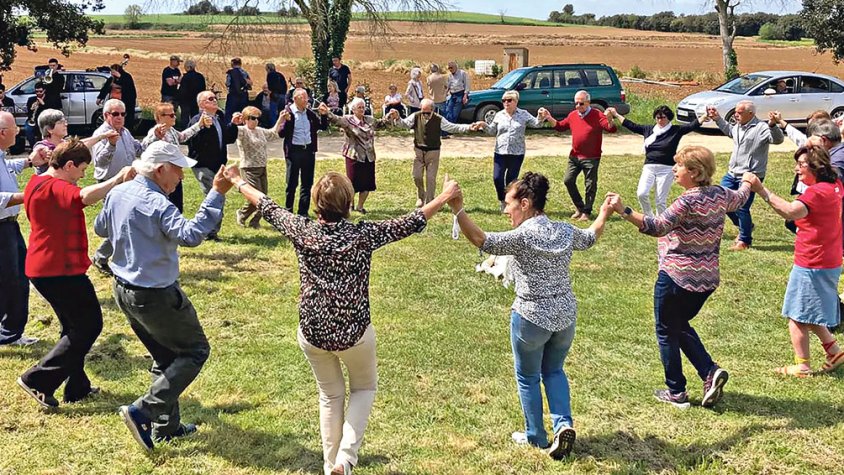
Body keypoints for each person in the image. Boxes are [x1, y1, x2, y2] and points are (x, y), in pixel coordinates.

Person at [223, 167, 459, 475]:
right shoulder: (362, 235)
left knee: (330, 395)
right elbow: (411, 221)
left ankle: (330, 466)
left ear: (317, 204)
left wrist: (238, 180)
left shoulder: (302, 229)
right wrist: (445, 196)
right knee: (364, 389)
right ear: (348, 204)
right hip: (353, 330)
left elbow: (266, 205)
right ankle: (345, 460)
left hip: (313, 330)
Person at [448, 172, 610, 459]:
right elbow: (589, 238)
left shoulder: (523, 236)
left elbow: (482, 240)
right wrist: (604, 213)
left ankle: (536, 435)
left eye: (509, 204)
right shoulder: (562, 229)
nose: (505, 210)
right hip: (565, 316)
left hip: (531, 317)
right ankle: (563, 425)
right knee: (555, 371)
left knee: (528, 376)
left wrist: (458, 208)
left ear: (525, 203)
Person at [95, 142, 233, 451]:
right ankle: (143, 411)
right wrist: (217, 192)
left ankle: (166, 428)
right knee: (195, 351)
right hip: (155, 295)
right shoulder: (159, 204)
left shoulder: (120, 192)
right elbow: (190, 234)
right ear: (160, 170)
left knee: (166, 356)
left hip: (123, 290)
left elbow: (100, 227)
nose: (182, 176)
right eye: (178, 170)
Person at [606, 146, 754, 410]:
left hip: (676, 277)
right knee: (678, 324)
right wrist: (747, 182)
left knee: (666, 330)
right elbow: (741, 198)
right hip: (707, 279)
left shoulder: (687, 201)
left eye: (679, 166)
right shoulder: (720, 194)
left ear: (695, 173)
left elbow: (657, 226)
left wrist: (623, 210)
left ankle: (677, 391)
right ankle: (709, 373)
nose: (674, 170)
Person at [16, 139, 134, 409]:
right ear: (68, 165)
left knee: (72, 327)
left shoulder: (37, 181)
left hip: (44, 267)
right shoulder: (58, 186)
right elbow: (83, 197)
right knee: (89, 325)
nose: (83, 175)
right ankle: (38, 379)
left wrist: (100, 137)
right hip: (59, 270)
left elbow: (70, 149)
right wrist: (116, 178)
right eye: (81, 169)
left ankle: (77, 387)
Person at [745, 146, 844, 376]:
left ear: (816, 167)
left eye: (801, 164)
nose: (796, 169)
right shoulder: (835, 185)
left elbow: (790, 211)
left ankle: (802, 365)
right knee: (810, 310)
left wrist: (761, 190)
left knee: (796, 315)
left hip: (812, 262)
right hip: (829, 259)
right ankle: (834, 352)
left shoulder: (815, 193)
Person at [709, 100, 784, 250]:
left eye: (739, 112)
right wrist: (717, 118)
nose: (736, 115)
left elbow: (778, 139)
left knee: (742, 207)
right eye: (736, 112)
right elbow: (730, 131)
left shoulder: (762, 128)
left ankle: (744, 240)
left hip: (751, 175)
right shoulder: (738, 126)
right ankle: (746, 226)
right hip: (732, 173)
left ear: (751, 114)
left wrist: (773, 125)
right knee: (721, 201)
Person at [605, 105, 705, 216]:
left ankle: (663, 223)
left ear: (669, 118)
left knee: (660, 200)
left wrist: (705, 116)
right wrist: (616, 114)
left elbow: (692, 126)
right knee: (641, 193)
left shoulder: (675, 130)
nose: (660, 120)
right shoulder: (648, 129)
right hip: (649, 167)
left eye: (663, 117)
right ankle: (649, 217)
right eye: (658, 117)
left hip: (666, 168)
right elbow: (631, 125)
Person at [0, 111, 45, 347]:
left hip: (9, 227)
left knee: (18, 278)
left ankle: (10, 332)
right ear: (3, 133)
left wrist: (29, 161)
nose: (19, 131)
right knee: (9, 281)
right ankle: (7, 332)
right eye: (15, 128)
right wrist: (26, 196)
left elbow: (5, 167)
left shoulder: (1, 155)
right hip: (1, 229)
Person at [540, 90, 617, 221]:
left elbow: (611, 129)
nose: (578, 106)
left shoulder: (597, 115)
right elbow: (560, 126)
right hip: (574, 156)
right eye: (576, 103)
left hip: (591, 157)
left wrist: (609, 118)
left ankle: (586, 212)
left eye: (581, 103)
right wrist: (548, 117)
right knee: (568, 180)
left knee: (590, 184)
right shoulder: (573, 115)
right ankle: (579, 207)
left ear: (588, 103)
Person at [394, 98, 481, 207]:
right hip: (419, 151)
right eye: (423, 112)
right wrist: (397, 118)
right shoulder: (415, 116)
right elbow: (404, 124)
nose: (425, 115)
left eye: (428, 112)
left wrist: (468, 127)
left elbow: (453, 127)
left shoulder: (439, 119)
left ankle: (430, 202)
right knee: (417, 176)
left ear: (433, 110)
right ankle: (421, 196)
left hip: (433, 152)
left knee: (431, 178)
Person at [91, 99, 144, 274]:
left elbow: (137, 149)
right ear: (106, 115)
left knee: (127, 222)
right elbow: (100, 161)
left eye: (122, 114)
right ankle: (101, 256)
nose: (120, 117)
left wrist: (154, 137)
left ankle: (107, 256)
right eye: (115, 114)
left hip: (127, 183)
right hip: (110, 185)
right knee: (120, 224)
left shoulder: (125, 132)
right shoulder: (101, 134)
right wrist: (111, 144)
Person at [319, 99, 396, 214]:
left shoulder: (369, 120)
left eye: (363, 107)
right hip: (353, 156)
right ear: (353, 109)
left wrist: (390, 115)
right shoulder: (348, 120)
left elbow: (381, 123)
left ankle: (360, 206)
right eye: (359, 107)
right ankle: (350, 205)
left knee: (367, 184)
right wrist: (327, 113)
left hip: (369, 156)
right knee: (351, 183)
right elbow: (336, 119)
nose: (362, 109)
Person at [478, 91, 545, 212]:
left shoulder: (523, 114)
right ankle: (502, 200)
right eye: (504, 100)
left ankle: (509, 203)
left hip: (517, 153)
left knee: (511, 180)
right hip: (500, 151)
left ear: (516, 102)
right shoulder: (499, 115)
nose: (506, 103)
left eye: (509, 100)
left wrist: (540, 115)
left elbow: (537, 124)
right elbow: (492, 131)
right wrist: (484, 125)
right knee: (497, 178)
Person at [187, 91, 240, 241]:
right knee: (213, 196)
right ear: (202, 104)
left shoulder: (218, 119)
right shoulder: (197, 120)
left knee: (218, 196)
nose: (215, 100)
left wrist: (233, 125)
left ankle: (212, 231)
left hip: (218, 165)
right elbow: (192, 142)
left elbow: (228, 139)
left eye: (215, 98)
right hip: (203, 165)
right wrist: (202, 127)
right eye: (210, 99)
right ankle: (208, 232)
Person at [141, 102, 203, 212]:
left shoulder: (171, 130)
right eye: (171, 115)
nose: (174, 117)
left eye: (174, 114)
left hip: (175, 172)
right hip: (164, 176)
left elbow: (183, 137)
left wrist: (199, 125)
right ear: (160, 117)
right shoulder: (157, 131)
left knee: (177, 206)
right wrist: (155, 136)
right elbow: (144, 146)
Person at [278, 88, 328, 216]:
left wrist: (323, 115)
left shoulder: (310, 114)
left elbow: (322, 126)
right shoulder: (288, 113)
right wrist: (286, 121)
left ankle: (303, 212)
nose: (307, 100)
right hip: (294, 152)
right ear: (295, 99)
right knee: (292, 183)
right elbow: (281, 133)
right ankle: (288, 211)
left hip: (308, 151)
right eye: (303, 98)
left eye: (307, 97)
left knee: (307, 183)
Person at [234, 105, 283, 228]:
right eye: (252, 118)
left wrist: (280, 119)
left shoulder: (260, 130)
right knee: (256, 197)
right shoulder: (242, 131)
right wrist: (234, 121)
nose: (255, 120)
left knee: (263, 197)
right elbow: (230, 131)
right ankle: (242, 214)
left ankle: (254, 221)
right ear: (245, 119)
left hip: (262, 167)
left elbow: (273, 133)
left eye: (257, 118)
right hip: (249, 168)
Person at [31, 108, 117, 175]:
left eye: (65, 121)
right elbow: (33, 157)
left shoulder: (64, 143)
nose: (66, 124)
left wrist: (103, 136)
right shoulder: (42, 146)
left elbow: (80, 145)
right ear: (49, 129)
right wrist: (43, 153)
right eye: (61, 122)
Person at [97, 63, 137, 130]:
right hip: (113, 102)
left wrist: (120, 77)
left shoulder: (127, 77)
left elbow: (129, 88)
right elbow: (105, 88)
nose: (112, 73)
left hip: (124, 103)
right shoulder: (112, 79)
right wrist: (100, 97)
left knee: (124, 120)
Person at [178, 59, 206, 127]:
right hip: (196, 100)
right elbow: (203, 89)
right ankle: (195, 131)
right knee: (195, 117)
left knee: (185, 117)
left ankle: (185, 132)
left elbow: (182, 90)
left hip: (186, 101)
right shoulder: (200, 76)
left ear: (188, 67)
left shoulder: (185, 77)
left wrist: (179, 98)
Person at [444, 61, 470, 131]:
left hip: (460, 94)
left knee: (455, 113)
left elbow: (467, 85)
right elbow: (448, 86)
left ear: (455, 67)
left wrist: (465, 96)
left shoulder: (462, 73)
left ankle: (452, 129)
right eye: (449, 68)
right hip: (452, 95)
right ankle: (449, 128)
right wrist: (445, 94)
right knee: (448, 111)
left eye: (451, 68)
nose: (450, 69)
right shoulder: (449, 75)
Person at [225, 57, 252, 123]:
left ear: (232, 64)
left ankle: (229, 126)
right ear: (240, 64)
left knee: (229, 113)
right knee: (243, 112)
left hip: (233, 95)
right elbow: (250, 83)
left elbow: (228, 83)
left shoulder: (230, 73)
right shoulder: (244, 73)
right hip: (243, 95)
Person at [25, 83, 47, 149]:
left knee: (43, 131)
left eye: (40, 91)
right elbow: (28, 113)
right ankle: (33, 147)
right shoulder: (31, 99)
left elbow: (49, 111)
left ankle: (43, 147)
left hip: (44, 120)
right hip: (33, 120)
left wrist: (43, 104)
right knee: (27, 129)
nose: (38, 93)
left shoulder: (48, 99)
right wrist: (31, 108)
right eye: (36, 91)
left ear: (44, 91)